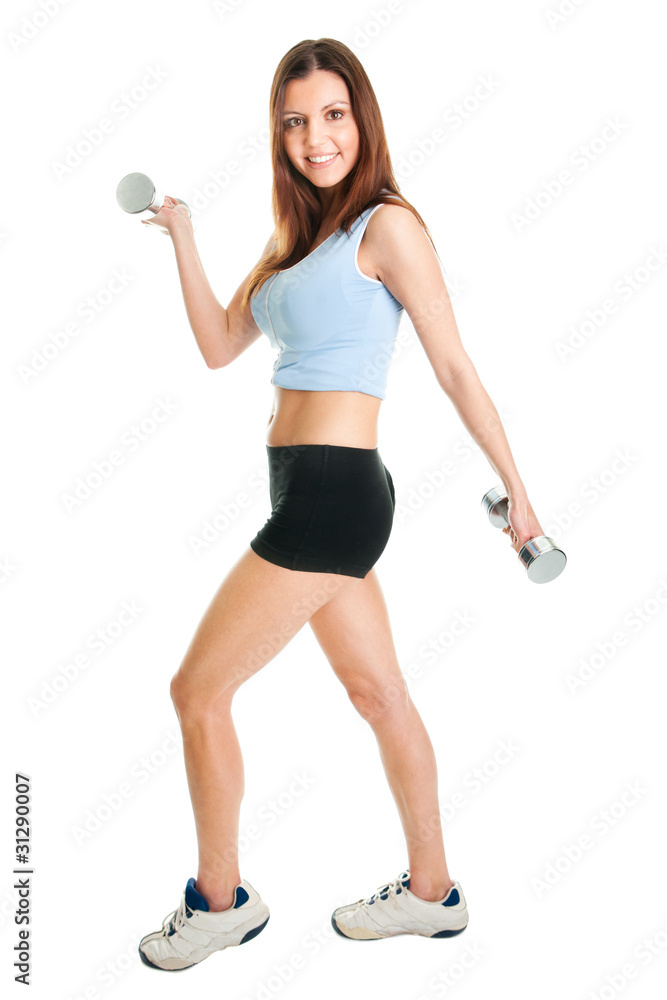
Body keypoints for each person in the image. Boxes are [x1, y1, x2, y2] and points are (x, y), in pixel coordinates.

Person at [137, 38, 545, 972]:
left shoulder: (386, 227)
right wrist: (186, 235)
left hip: (333, 494)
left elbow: (453, 365)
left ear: (361, 120)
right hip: (308, 488)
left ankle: (218, 902)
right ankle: (433, 895)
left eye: (332, 115)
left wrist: (519, 494)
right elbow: (219, 345)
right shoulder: (293, 243)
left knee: (197, 692)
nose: (314, 137)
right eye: (294, 121)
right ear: (277, 135)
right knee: (378, 694)